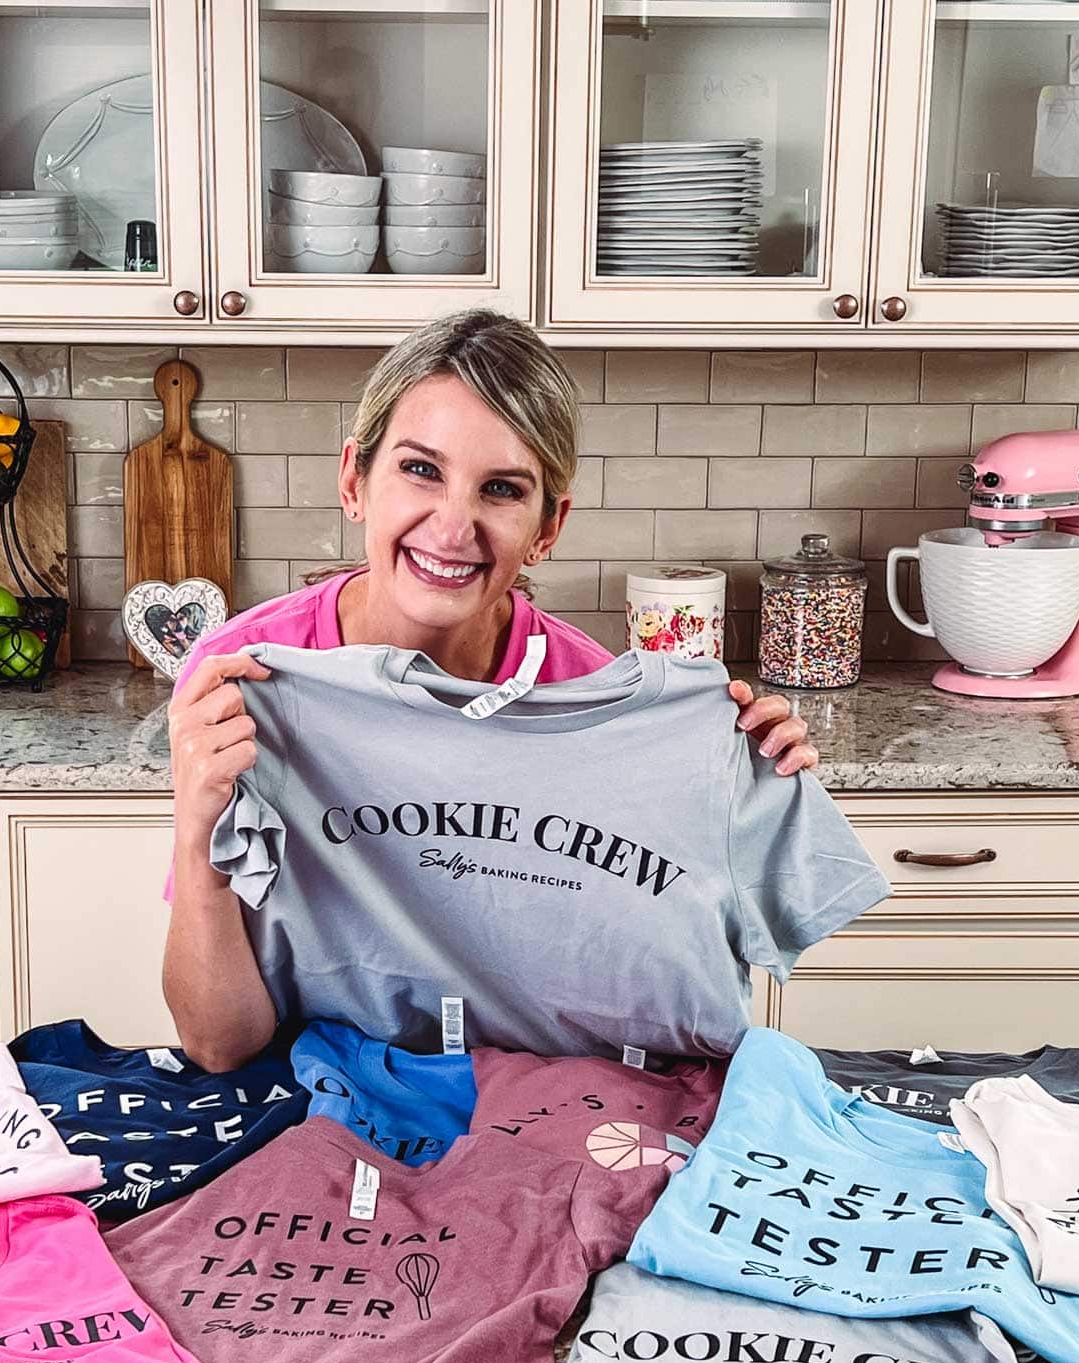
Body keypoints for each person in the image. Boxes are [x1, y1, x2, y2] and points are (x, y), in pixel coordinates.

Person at [164, 310, 818, 1071]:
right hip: (312, 1107)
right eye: (420, 469)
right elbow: (217, 1045)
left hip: (538, 1117)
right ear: (354, 480)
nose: (453, 526)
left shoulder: (590, 700)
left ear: (548, 526)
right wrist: (195, 832)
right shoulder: (245, 677)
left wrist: (741, 773)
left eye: (501, 489)